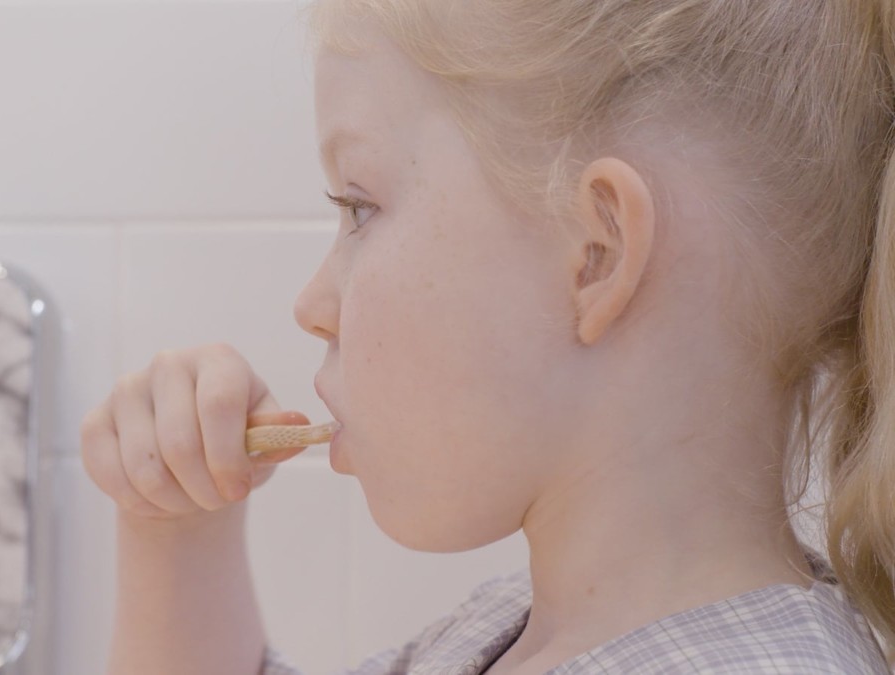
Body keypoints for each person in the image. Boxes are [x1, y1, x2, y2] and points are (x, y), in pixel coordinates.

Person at [79, 0, 895, 672]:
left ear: (596, 254)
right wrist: (175, 531)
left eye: (360, 207)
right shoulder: (508, 629)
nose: (312, 302)